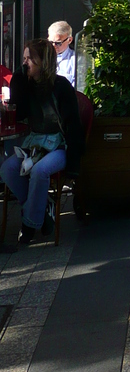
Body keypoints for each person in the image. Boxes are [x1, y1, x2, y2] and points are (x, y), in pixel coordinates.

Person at [1, 39, 83, 245]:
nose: (26, 63)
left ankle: (29, 224)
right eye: (24, 58)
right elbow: (20, 114)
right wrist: (18, 79)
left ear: (43, 62)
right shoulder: (27, 84)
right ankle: (43, 211)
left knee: (40, 171)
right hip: (35, 142)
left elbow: (74, 127)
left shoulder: (61, 86)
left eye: (30, 59)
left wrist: (73, 167)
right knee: (7, 169)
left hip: (59, 143)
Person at [47, 21, 75, 86]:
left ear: (69, 40)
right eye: (51, 42)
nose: (53, 46)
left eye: (58, 43)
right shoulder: (42, 57)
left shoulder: (75, 60)